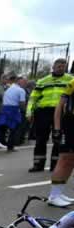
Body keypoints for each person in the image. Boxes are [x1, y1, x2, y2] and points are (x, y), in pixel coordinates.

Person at [27, 59, 74, 172]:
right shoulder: (43, 80)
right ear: (53, 67)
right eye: (58, 66)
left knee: (58, 138)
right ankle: (38, 164)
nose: (61, 68)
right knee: (41, 138)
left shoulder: (70, 80)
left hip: (61, 112)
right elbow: (33, 97)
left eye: (63, 66)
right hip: (43, 111)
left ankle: (55, 165)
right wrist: (29, 112)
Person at [46, 75, 74, 207]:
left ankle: (60, 192)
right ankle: (54, 195)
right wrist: (57, 128)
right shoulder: (72, 83)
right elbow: (59, 106)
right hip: (70, 123)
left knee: (71, 160)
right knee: (64, 159)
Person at [0, 75, 26, 153]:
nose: (25, 83)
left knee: (0, 128)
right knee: (14, 129)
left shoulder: (7, 88)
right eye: (24, 81)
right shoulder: (21, 90)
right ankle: (10, 147)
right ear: (18, 81)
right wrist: (23, 110)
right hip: (14, 110)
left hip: (4, 109)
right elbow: (22, 103)